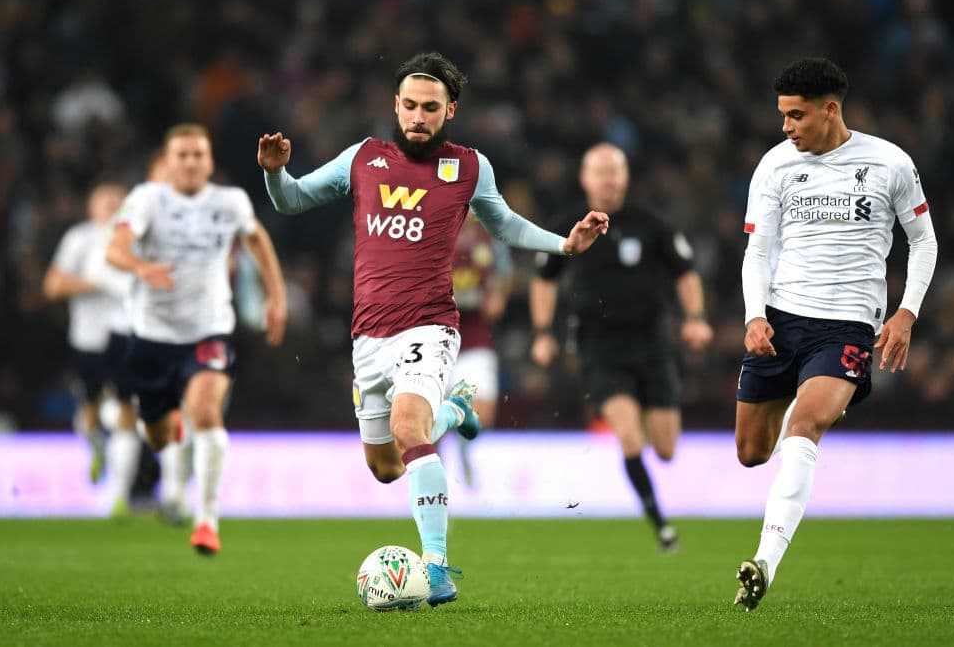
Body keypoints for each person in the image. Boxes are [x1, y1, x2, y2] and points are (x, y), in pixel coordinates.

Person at [258, 51, 608, 606]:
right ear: (395, 106)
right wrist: (276, 172)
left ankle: (438, 566)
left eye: (430, 107)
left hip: (430, 326)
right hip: (367, 337)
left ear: (451, 111)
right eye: (410, 106)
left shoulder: (469, 167)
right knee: (385, 467)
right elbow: (293, 201)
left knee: (408, 428)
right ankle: (456, 410)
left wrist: (563, 243)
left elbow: (505, 224)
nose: (418, 116)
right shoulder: (362, 159)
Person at [732, 58, 938, 611]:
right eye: (782, 116)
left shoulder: (889, 162)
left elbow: (924, 242)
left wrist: (906, 313)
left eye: (796, 116)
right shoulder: (775, 166)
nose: (786, 128)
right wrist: (755, 316)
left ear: (830, 109)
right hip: (781, 320)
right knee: (751, 453)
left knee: (804, 425)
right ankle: (820, 402)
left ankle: (764, 563)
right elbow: (758, 250)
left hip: (847, 323)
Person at [107, 123, 288, 554]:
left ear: (209, 162)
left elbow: (257, 240)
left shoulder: (230, 202)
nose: (189, 162)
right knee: (156, 435)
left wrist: (276, 296)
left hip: (209, 329)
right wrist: (140, 267)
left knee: (206, 413)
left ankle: (206, 520)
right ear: (168, 163)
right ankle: (167, 421)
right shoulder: (147, 199)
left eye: (197, 155)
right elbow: (114, 248)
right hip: (152, 335)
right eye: (181, 155)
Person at [530, 142, 713, 553]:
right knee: (629, 437)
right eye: (601, 171)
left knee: (665, 449)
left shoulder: (651, 224)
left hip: (653, 344)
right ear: (585, 178)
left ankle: (647, 415)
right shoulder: (568, 224)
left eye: (616, 171)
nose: (609, 179)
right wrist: (543, 332)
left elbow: (685, 272)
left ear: (626, 177)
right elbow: (544, 278)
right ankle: (662, 526)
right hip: (600, 348)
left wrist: (695, 318)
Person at [43, 183, 139, 515]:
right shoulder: (78, 238)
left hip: (127, 334)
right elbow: (53, 286)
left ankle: (119, 495)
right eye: (105, 199)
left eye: (118, 199)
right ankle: (96, 447)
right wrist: (101, 282)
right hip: (88, 338)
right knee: (90, 414)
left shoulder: (136, 237)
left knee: (127, 409)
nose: (112, 204)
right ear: (91, 206)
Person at [450, 216, 512, 485]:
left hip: (475, 339)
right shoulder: (433, 234)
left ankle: (462, 448)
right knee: (425, 415)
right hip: (437, 339)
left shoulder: (491, 242)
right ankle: (435, 475)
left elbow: (504, 278)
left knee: (482, 415)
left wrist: (498, 296)